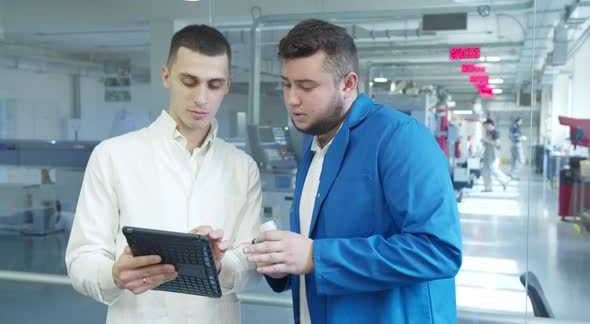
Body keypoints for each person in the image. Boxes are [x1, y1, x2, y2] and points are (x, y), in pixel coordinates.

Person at [244, 19, 462, 324]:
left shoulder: (400, 138)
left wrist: (315, 256)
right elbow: (314, 250)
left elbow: (439, 251)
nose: (292, 99)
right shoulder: (316, 143)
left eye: (307, 87)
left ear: (348, 84)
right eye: (286, 84)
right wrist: (283, 262)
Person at [65, 25, 262, 324]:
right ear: (166, 76)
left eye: (214, 84)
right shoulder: (113, 155)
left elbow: (251, 264)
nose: (201, 98)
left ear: (228, 85)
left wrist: (221, 265)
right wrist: (113, 274)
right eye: (189, 81)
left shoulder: (242, 167)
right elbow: (82, 259)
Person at [481, 119, 509, 191]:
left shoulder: (495, 133)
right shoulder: (489, 133)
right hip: (487, 155)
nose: (486, 128)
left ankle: (505, 180)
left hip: (493, 155)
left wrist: (485, 140)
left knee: (493, 169)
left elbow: (497, 143)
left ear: (490, 125)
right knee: (485, 171)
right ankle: (488, 188)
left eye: (486, 126)